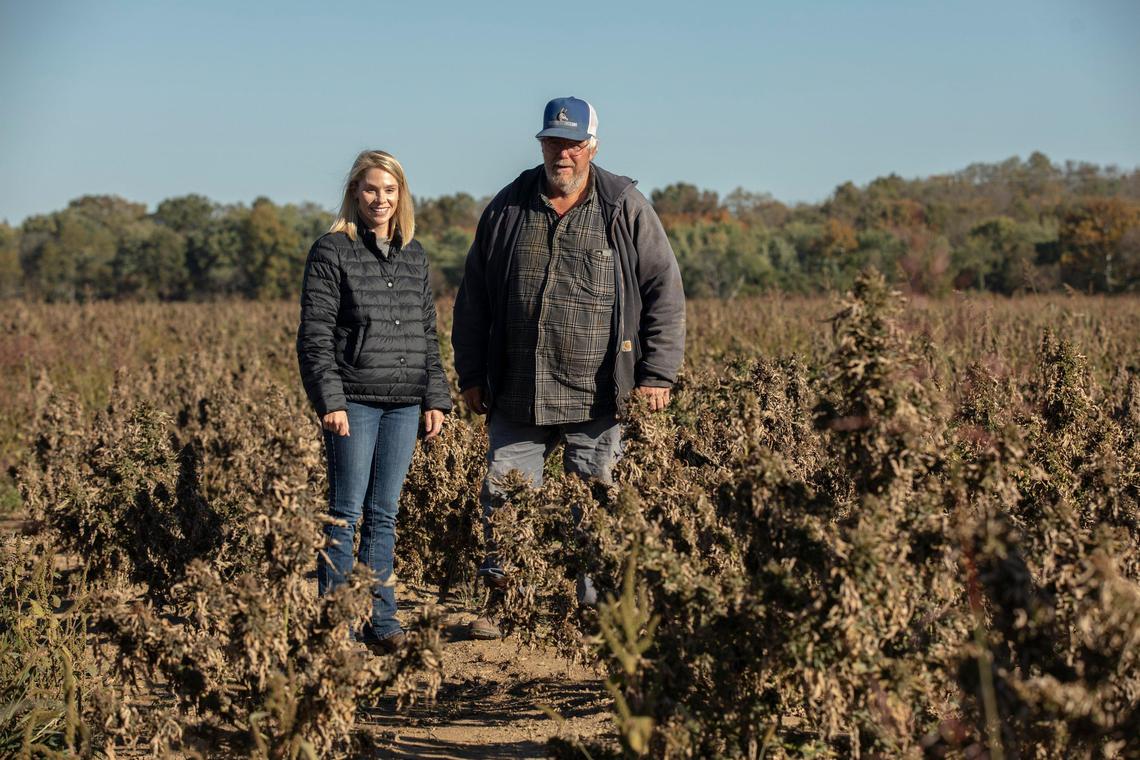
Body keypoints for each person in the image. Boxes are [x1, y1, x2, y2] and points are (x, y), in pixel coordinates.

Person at [452, 97, 686, 639]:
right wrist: (470, 373)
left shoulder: (624, 205)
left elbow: (663, 292)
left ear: (592, 147)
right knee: (505, 493)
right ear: (541, 144)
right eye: (554, 142)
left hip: (598, 392)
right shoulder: (508, 207)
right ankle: (505, 602)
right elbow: (474, 298)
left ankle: (595, 611)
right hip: (517, 387)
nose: (563, 153)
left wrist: (657, 375)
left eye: (573, 143)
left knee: (595, 498)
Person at [297, 149, 451, 654]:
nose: (379, 199)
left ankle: (381, 620)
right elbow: (315, 335)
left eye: (389, 190)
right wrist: (330, 401)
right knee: (345, 513)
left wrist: (435, 396)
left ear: (400, 195)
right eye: (370, 189)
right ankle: (335, 625)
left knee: (384, 512)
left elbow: (427, 332)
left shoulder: (414, 253)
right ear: (354, 193)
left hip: (405, 403)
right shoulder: (331, 251)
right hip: (355, 401)